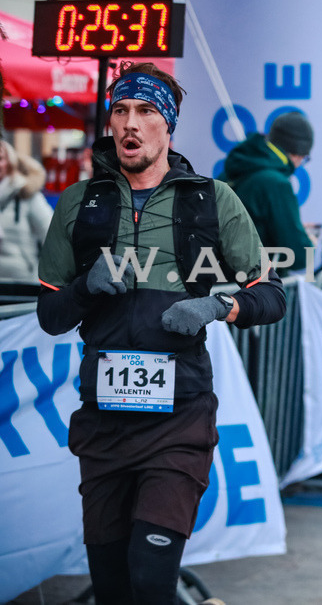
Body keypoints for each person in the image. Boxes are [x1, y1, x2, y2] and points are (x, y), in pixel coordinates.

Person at [36, 61, 286, 605]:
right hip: (102, 422)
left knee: (151, 578)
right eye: (121, 110)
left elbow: (272, 296)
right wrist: (84, 287)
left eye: (146, 111)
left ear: (167, 126)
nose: (130, 123)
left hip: (179, 417)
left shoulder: (211, 198)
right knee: (114, 588)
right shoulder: (80, 204)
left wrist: (215, 307)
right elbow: (50, 314)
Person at [218, 110, 316, 272]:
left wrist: (294, 228)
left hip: (216, 279)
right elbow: (298, 255)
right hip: (254, 287)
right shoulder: (276, 183)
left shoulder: (235, 169)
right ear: (298, 153)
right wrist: (309, 242)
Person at [0, 139, 52, 280]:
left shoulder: (27, 194)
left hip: (23, 285)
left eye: (0, 159)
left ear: (10, 163)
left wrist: (39, 277)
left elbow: (52, 236)